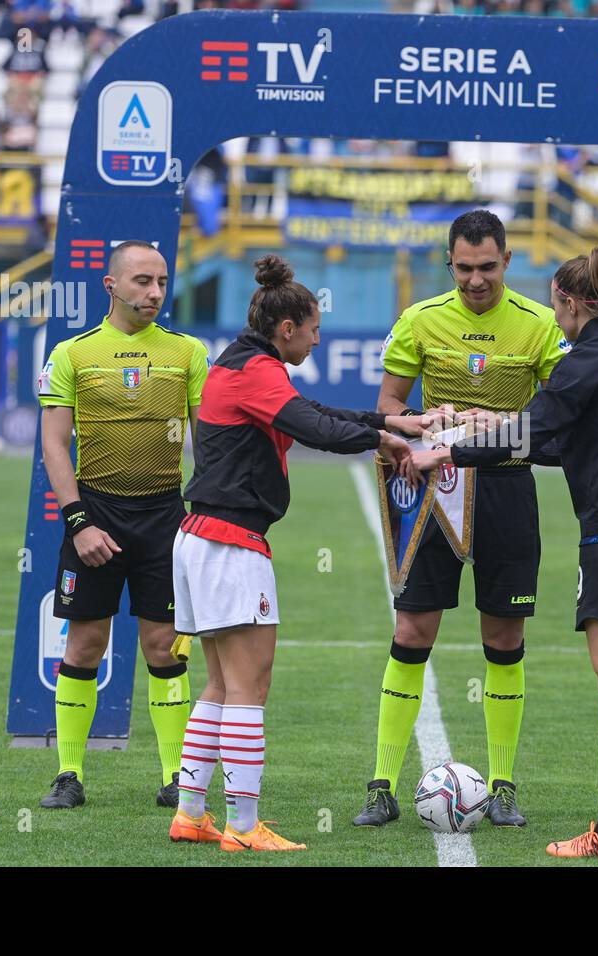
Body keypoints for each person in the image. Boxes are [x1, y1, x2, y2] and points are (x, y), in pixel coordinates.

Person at [414, 247, 598, 858]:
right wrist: (490, 427)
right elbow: (559, 443)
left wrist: (448, 452)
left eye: (556, 305)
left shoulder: (582, 362)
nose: (554, 316)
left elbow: (528, 432)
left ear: (568, 303)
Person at [168, 255, 423, 852]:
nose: (317, 338)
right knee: (249, 686)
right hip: (230, 543)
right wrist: (383, 436)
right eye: (314, 330)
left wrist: (391, 424)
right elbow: (318, 430)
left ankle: (189, 813)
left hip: (201, 536)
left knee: (219, 685)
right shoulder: (257, 372)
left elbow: (317, 415)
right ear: (288, 329)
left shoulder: (245, 363)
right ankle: (243, 824)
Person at [353, 209, 569, 828]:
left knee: (504, 640)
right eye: (465, 268)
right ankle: (381, 785)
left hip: (506, 490)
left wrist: (497, 431)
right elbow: (388, 406)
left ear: (507, 261)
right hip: (433, 487)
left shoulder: (541, 326)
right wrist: (422, 420)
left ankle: (501, 786)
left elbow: (557, 423)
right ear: (450, 264)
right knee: (412, 631)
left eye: (488, 267)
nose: (476, 280)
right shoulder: (420, 319)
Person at [36, 240, 209, 810]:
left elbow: (207, 443)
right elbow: (55, 445)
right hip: (96, 512)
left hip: (165, 515)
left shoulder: (188, 352)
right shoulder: (72, 354)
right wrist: (78, 521)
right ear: (110, 285)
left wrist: (208, 514)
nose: (154, 292)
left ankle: (175, 777)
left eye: (161, 281)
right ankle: (68, 775)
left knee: (165, 647)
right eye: (141, 281)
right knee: (86, 644)